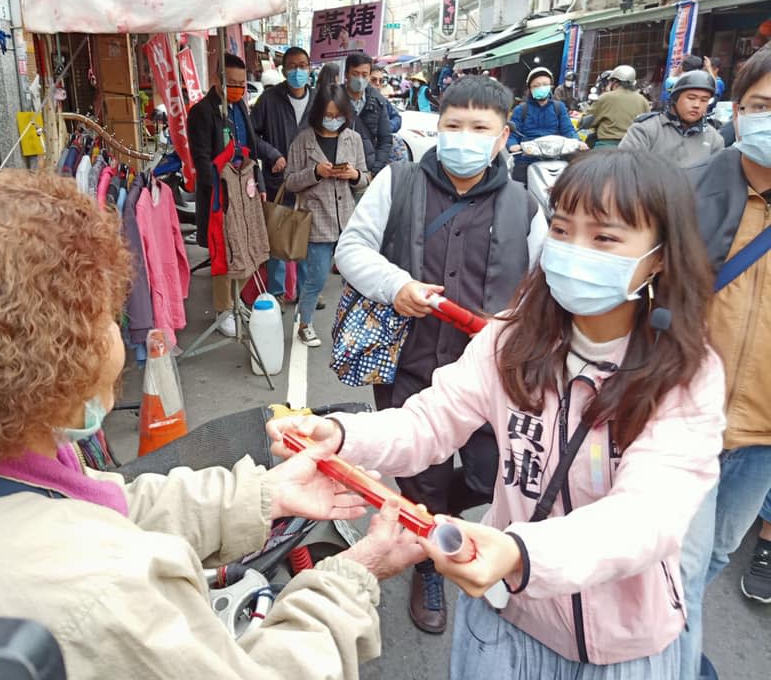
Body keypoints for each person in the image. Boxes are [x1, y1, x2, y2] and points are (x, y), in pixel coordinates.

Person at [0, 170, 426, 680]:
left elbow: (75, 514)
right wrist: (352, 578)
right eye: (103, 317)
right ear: (42, 362)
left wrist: (259, 496)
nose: (116, 334)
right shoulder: (107, 592)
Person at [272, 148, 726, 678]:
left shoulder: (684, 371)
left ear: (661, 255)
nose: (573, 251)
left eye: (605, 237)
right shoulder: (513, 336)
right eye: (561, 230)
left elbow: (646, 515)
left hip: (623, 644)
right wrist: (339, 433)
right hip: (503, 622)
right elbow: (429, 421)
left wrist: (518, 554)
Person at [334, 75, 547, 633]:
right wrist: (395, 285)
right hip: (410, 364)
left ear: (502, 137)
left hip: (493, 376)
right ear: (437, 126)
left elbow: (545, 287)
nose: (464, 137)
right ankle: (430, 557)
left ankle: (424, 519)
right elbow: (351, 248)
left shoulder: (525, 206)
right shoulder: (397, 181)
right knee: (421, 467)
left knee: (489, 470)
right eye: (454, 125)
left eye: (480, 128)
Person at [680, 46, 771, 680]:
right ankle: (666, 656)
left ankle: (669, 636)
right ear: (738, 111)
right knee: (676, 560)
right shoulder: (685, 196)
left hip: (763, 435)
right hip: (685, 420)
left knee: (715, 552)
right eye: (763, 106)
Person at [186, 53, 267, 337]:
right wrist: (222, 191)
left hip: (247, 188)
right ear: (217, 81)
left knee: (247, 246)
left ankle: (236, 300)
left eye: (241, 83)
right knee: (225, 252)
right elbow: (201, 159)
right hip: (221, 193)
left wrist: (259, 183)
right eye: (231, 83)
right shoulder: (201, 112)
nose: (237, 88)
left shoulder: (240, 107)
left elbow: (252, 146)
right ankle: (223, 310)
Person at [285, 83, 369, 347]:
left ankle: (352, 325)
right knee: (316, 279)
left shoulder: (352, 139)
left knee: (353, 279)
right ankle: (304, 324)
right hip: (317, 222)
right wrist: (315, 173)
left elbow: (365, 177)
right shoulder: (303, 141)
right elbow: (289, 181)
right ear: (318, 112)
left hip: (348, 222)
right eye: (328, 115)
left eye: (338, 115)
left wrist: (354, 175)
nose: (333, 121)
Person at [252, 46, 315, 311]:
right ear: (283, 69)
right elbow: (251, 135)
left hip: (312, 181)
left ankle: (305, 291)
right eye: (292, 66)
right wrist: (272, 154)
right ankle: (277, 291)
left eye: (302, 65)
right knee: (277, 236)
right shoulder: (268, 100)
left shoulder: (319, 100)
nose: (297, 71)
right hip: (279, 179)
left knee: (308, 237)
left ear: (309, 67)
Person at [618, 70, 723, 168]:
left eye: (704, 100)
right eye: (691, 98)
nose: (697, 105)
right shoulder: (645, 130)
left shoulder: (714, 139)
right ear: (675, 99)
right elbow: (624, 169)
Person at [506, 67, 584, 185]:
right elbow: (512, 134)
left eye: (545, 84)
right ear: (530, 89)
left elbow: (568, 129)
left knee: (574, 182)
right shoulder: (521, 110)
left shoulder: (559, 107)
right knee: (518, 190)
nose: (541, 88)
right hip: (527, 157)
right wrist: (512, 145)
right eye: (536, 85)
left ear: (550, 87)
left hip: (557, 156)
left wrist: (577, 141)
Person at [342, 52, 393, 177]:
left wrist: (374, 170)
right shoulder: (333, 99)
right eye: (355, 74)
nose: (360, 79)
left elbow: (385, 140)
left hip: (366, 171)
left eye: (364, 75)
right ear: (346, 75)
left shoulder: (378, 102)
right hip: (338, 170)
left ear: (369, 76)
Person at [580, 65, 650, 148]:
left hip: (607, 146)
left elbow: (586, 121)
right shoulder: (643, 101)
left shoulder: (607, 97)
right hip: (633, 148)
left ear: (614, 82)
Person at [371, 65, 407, 162]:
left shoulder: (382, 100)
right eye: (373, 80)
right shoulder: (360, 102)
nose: (378, 84)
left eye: (381, 81)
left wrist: (386, 127)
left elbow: (397, 118)